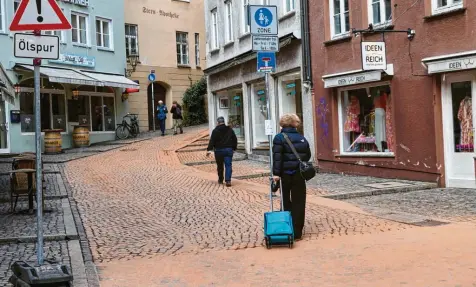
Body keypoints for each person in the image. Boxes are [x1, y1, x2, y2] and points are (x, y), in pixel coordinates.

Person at [272, 113, 311, 240]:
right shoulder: (301, 138)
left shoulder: (279, 138)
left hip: (285, 175)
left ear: (282, 124)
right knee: (299, 202)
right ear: (294, 123)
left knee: (285, 201)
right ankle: (297, 231)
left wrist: (276, 174)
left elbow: (277, 158)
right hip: (299, 175)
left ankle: (287, 228)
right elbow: (307, 155)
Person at [206, 117, 237, 187]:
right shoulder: (230, 129)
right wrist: (234, 148)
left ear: (218, 122)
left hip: (219, 151)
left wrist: (209, 149)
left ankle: (220, 179)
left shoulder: (215, 130)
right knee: (228, 165)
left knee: (220, 166)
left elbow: (212, 141)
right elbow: (234, 139)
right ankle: (228, 180)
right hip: (228, 150)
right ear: (224, 122)